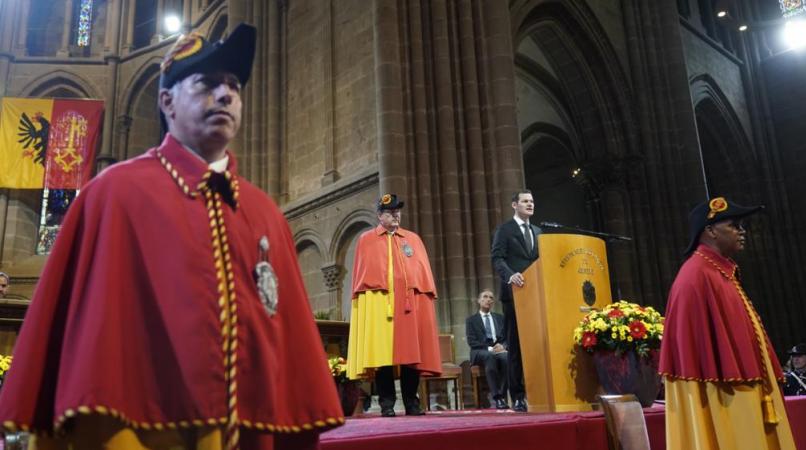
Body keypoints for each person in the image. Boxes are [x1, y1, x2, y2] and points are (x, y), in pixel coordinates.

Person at [0, 24, 342, 450]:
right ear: (166, 102)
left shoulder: (265, 213)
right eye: (206, 84)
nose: (225, 95)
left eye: (233, 86)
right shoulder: (115, 194)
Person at [659, 197, 796, 450]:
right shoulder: (695, 276)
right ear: (710, 230)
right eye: (734, 225)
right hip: (725, 395)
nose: (742, 231)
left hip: (748, 387)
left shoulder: (720, 271)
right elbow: (695, 357)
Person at [346, 193, 442, 417]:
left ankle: (412, 402)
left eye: (397, 211)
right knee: (383, 357)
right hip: (381, 304)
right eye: (390, 212)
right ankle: (387, 404)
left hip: (410, 304)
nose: (395, 215)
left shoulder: (412, 239)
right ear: (380, 216)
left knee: (411, 356)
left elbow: (422, 273)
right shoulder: (367, 239)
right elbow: (363, 276)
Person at [490, 189, 541, 413]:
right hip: (514, 296)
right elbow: (497, 258)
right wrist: (510, 275)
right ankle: (518, 396)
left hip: (538, 295)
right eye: (525, 201)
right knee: (517, 348)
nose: (529, 205)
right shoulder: (505, 230)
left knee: (538, 345)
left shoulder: (539, 231)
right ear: (514, 205)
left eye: (531, 201)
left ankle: (540, 392)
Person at [465, 289, 509, 409]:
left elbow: (506, 337)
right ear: (479, 300)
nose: (488, 299)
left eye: (491, 297)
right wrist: (490, 349)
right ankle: (497, 397)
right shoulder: (471, 320)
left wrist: (503, 346)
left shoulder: (499, 318)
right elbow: (472, 342)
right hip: (480, 350)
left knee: (506, 358)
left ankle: (502, 395)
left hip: (498, 349)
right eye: (485, 296)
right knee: (489, 356)